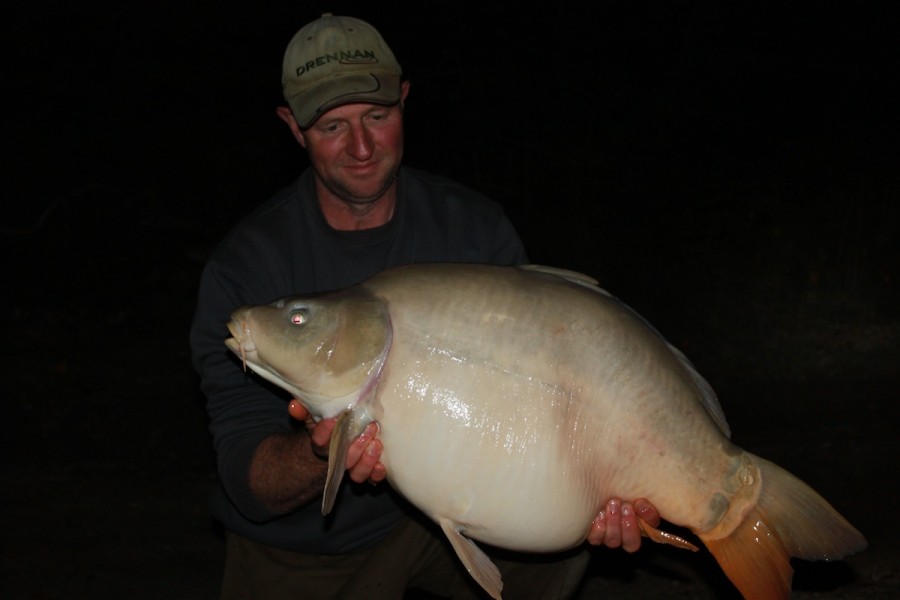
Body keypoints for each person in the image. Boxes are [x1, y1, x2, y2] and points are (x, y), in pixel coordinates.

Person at [189, 13, 660, 599]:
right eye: (333, 125)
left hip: (440, 522)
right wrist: (322, 450)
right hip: (308, 548)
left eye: (378, 118)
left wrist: (600, 489)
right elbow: (247, 480)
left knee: (555, 558)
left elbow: (549, 399)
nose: (361, 147)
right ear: (294, 127)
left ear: (405, 101)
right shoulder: (247, 267)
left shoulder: (473, 233)